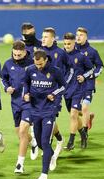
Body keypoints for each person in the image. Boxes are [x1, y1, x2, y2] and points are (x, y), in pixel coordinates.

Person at [23, 49, 66, 179]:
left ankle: (44, 175)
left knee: (45, 141)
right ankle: (51, 156)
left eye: (41, 64)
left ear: (45, 60)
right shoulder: (30, 70)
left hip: (49, 109)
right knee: (40, 143)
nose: (39, 67)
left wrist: (54, 93)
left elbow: (64, 86)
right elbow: (25, 84)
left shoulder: (55, 71)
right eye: (37, 64)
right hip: (35, 109)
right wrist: (26, 93)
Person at [1, 41, 36, 173]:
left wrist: (31, 94)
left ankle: (19, 164)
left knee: (22, 132)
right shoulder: (8, 64)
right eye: (14, 54)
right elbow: (3, 78)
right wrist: (6, 88)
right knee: (20, 134)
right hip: (15, 103)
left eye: (19, 55)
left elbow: (39, 82)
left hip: (29, 103)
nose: (16, 56)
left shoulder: (32, 64)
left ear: (25, 52)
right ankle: (33, 142)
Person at [63, 32, 93, 152]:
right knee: (74, 115)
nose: (67, 46)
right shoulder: (61, 55)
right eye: (65, 44)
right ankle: (83, 134)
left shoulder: (81, 56)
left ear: (74, 43)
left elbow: (91, 69)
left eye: (69, 44)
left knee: (73, 115)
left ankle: (71, 142)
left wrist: (84, 76)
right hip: (65, 90)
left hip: (78, 90)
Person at [41, 27, 68, 157]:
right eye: (42, 36)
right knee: (43, 120)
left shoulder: (61, 53)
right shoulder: (39, 53)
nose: (43, 39)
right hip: (41, 92)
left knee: (50, 118)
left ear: (53, 38)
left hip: (55, 92)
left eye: (46, 37)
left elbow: (70, 70)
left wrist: (63, 84)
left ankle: (48, 148)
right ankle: (59, 138)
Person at [75, 27, 104, 132]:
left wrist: (92, 75)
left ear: (86, 37)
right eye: (77, 35)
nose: (78, 37)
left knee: (84, 108)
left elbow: (100, 66)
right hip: (75, 85)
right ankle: (89, 116)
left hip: (88, 84)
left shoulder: (92, 51)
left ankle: (85, 132)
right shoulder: (72, 50)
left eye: (81, 35)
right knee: (74, 110)